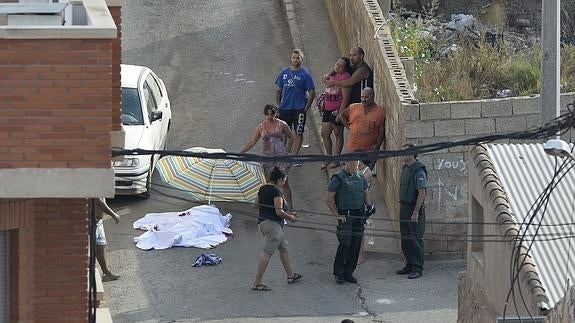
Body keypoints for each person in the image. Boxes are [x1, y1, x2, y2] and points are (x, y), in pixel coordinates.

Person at [252, 167, 302, 291]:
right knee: (267, 253)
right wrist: (290, 218)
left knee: (283, 247)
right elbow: (279, 211)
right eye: (284, 179)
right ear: (279, 179)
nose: (285, 182)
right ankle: (258, 282)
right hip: (273, 226)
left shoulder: (262, 188)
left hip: (263, 224)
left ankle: (290, 275)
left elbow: (255, 205)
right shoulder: (276, 192)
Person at [240, 104, 295, 208]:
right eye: (268, 114)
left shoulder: (282, 124)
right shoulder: (261, 127)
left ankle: (290, 208)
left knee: (284, 183)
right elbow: (252, 141)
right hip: (267, 159)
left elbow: (291, 137)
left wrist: (287, 152)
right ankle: (272, 206)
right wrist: (240, 153)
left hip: (280, 158)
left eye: (272, 114)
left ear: (276, 114)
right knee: (268, 184)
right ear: (265, 115)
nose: (270, 117)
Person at [326, 160, 371, 284]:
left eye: (357, 165)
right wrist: (337, 215)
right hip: (346, 216)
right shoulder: (338, 178)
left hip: (359, 215)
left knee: (356, 244)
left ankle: (349, 272)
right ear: (346, 163)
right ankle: (339, 272)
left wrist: (369, 206)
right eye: (352, 164)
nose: (355, 167)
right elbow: (329, 199)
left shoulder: (360, 176)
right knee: (345, 243)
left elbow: (365, 192)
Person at [275, 48, 316, 166]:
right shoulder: (284, 73)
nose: (295, 59)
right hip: (285, 108)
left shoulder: (305, 74)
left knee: (298, 132)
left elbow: (312, 92)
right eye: (294, 57)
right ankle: (283, 155)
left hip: (299, 109)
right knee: (283, 132)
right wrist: (279, 105)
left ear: (302, 59)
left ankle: (294, 156)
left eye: (298, 58)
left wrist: (307, 106)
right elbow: (278, 90)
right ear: (291, 58)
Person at [396, 144, 428, 279]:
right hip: (404, 207)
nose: (402, 153)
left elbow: (422, 192)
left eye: (405, 151)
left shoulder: (418, 170)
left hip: (413, 208)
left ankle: (417, 267)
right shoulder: (405, 168)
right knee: (405, 238)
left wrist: (415, 212)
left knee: (415, 239)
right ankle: (409, 264)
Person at [338, 87, 385, 170]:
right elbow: (342, 115)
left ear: (373, 97)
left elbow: (381, 130)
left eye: (366, 97)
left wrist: (377, 146)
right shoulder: (354, 107)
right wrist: (349, 127)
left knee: (365, 174)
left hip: (369, 151)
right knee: (352, 173)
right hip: (353, 148)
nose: (363, 100)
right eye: (362, 97)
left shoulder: (380, 111)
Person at [320, 57, 352, 170]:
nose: (337, 67)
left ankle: (336, 158)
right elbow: (325, 78)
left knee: (338, 134)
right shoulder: (332, 74)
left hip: (337, 109)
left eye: (340, 66)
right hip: (327, 108)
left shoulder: (345, 77)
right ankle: (329, 157)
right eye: (337, 64)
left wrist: (340, 113)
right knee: (324, 134)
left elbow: (346, 97)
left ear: (345, 68)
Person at [91, 197, 121, 282]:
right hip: (92, 220)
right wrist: (113, 214)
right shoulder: (94, 185)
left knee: (100, 246)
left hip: (98, 221)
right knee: (91, 248)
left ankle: (106, 273)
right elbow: (98, 200)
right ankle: (90, 275)